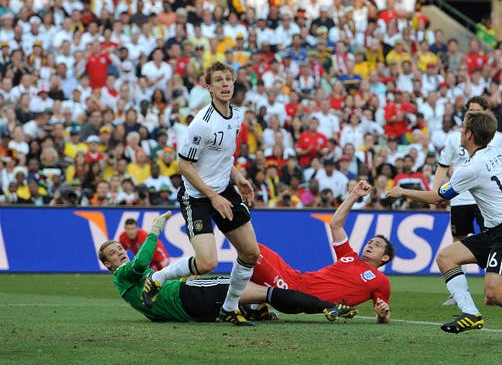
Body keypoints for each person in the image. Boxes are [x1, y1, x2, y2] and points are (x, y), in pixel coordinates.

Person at [387, 111, 502, 347]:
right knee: (446, 257)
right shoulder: (498, 153)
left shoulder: (470, 168)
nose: (460, 133)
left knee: (494, 294)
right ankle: (470, 314)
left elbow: (437, 196)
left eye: (462, 129)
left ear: (469, 134)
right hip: (497, 230)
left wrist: (402, 191)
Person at [142, 62, 259, 326]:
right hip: (196, 195)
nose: (225, 84)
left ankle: (229, 309)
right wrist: (212, 196)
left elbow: (224, 156)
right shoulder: (202, 124)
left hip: (224, 190)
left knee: (251, 253)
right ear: (209, 87)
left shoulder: (237, 116)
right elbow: (183, 165)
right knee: (207, 263)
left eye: (228, 79)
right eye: (219, 80)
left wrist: (240, 179)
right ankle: (156, 279)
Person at [100, 212, 358, 323]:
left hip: (194, 312)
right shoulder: (122, 274)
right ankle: (327, 306)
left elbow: (153, 309)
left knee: (251, 294)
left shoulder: (128, 285)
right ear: (108, 264)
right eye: (113, 253)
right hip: (187, 295)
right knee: (253, 288)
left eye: (119, 249)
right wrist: (154, 231)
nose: (120, 252)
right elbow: (143, 262)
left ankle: (258, 311)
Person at [251, 180, 394, 323]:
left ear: (385, 257)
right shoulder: (349, 256)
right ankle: (254, 307)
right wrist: (354, 195)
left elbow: (384, 314)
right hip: (294, 277)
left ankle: (240, 305)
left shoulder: (380, 281)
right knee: (254, 247)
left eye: (377, 245)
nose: (370, 245)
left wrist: (382, 314)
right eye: (370, 242)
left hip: (295, 294)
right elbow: (335, 225)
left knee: (253, 255)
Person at [432, 96, 502, 305]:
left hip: (484, 197)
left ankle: (494, 290)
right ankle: (458, 293)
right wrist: (435, 193)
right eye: (469, 111)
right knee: (458, 243)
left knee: (492, 241)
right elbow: (443, 165)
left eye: (476, 111)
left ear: (486, 113)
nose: (471, 115)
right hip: (459, 198)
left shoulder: (496, 137)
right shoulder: (454, 137)